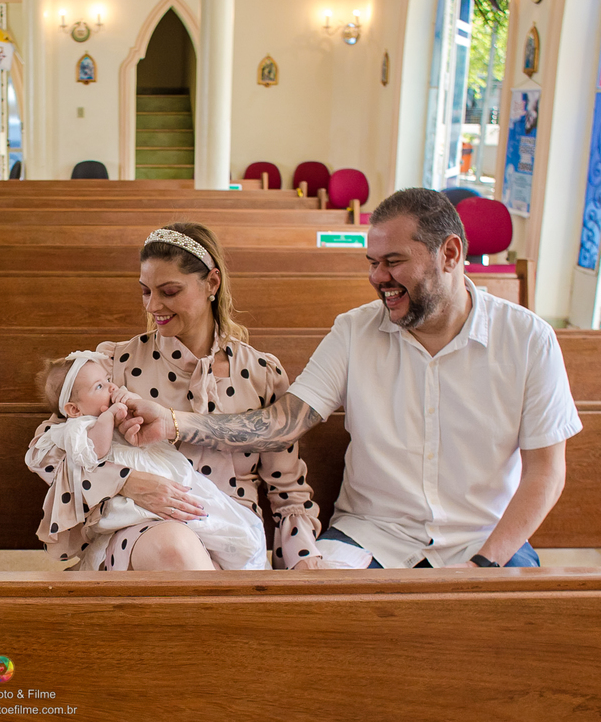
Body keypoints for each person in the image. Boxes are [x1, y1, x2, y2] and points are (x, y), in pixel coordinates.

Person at [120, 189, 580, 569]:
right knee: (325, 624)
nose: (378, 278)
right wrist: (177, 422)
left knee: (520, 630)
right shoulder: (355, 330)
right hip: (372, 536)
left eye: (393, 261)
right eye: (372, 262)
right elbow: (283, 422)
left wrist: (484, 564)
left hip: (484, 536)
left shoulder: (527, 338)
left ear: (450, 254)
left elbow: (546, 471)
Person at [25, 222, 324, 572]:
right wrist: (126, 481)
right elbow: (47, 451)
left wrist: (306, 564)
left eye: (169, 291)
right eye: (145, 291)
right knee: (175, 546)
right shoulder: (113, 366)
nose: (153, 306)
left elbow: (287, 492)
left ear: (212, 283)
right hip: (143, 537)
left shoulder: (261, 374)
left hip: (235, 539)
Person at [28, 351, 269, 570]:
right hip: (138, 519)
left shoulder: (259, 367)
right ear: (73, 409)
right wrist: (123, 474)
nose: (111, 387)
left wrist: (136, 407)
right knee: (178, 544)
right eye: (100, 386)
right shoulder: (79, 426)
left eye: (108, 380)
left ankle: (221, 557)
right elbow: (86, 453)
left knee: (207, 521)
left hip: (182, 484)